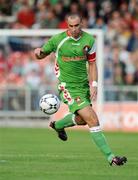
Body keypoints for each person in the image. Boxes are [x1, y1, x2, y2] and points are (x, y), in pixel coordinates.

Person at [34, 14, 127, 166]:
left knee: (82, 120)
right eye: (71, 26)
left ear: (81, 24)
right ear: (67, 26)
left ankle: (57, 125)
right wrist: (38, 52)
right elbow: (41, 54)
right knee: (92, 119)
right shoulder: (58, 40)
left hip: (83, 86)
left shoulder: (89, 40)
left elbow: (92, 64)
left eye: (76, 25)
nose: (74, 29)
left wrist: (94, 84)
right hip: (68, 86)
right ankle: (112, 158)